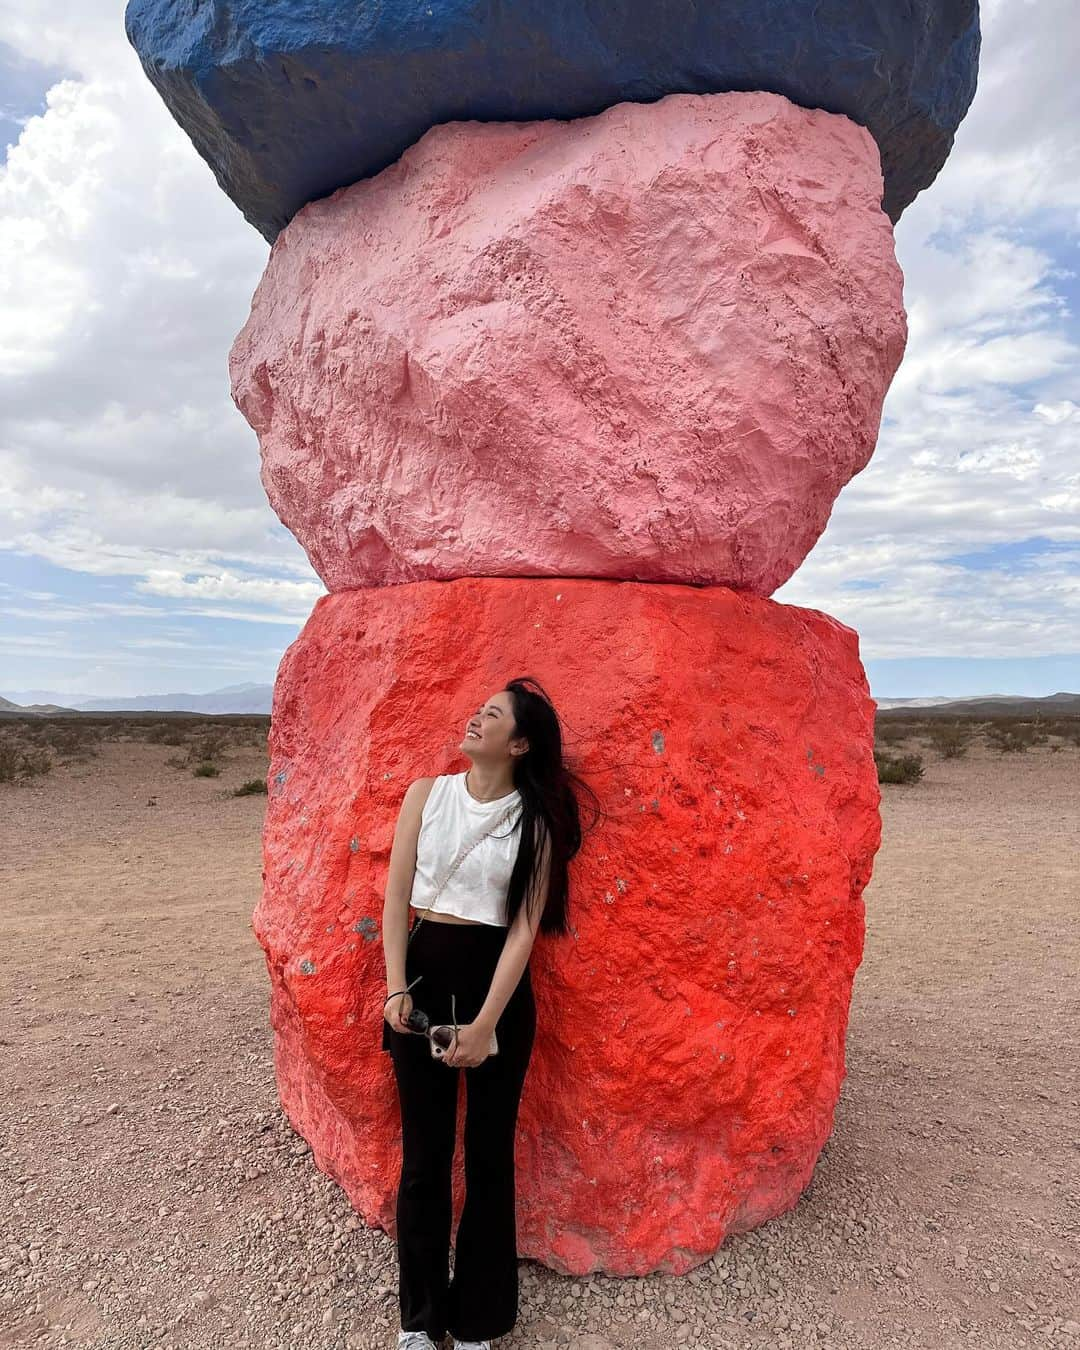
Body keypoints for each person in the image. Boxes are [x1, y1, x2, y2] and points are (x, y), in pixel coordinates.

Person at [380, 676, 600, 1350]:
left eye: (493, 715)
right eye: (477, 711)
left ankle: (477, 1320)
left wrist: (485, 1027)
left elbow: (525, 929)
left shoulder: (535, 820)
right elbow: (394, 904)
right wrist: (395, 990)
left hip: (497, 992)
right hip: (421, 977)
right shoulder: (427, 794)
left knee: (487, 1158)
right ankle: (419, 1320)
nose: (476, 719)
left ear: (521, 742)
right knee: (423, 1158)